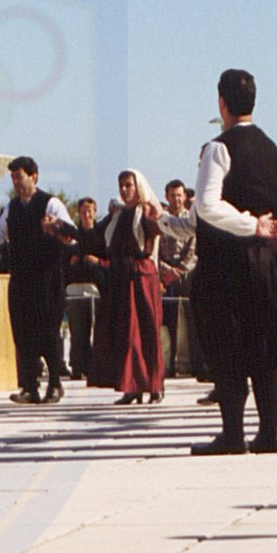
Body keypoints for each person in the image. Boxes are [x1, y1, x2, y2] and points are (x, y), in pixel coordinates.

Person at [172, 69, 277, 455]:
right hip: (270, 260)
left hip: (227, 263)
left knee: (227, 346)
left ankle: (234, 434)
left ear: (221, 102)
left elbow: (206, 205)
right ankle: (269, 433)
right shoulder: (272, 148)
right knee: (267, 344)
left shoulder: (217, 148)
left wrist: (249, 224)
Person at [0, 156, 74, 404]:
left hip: (47, 278)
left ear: (33, 176)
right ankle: (29, 387)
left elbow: (71, 235)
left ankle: (55, 384)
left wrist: (55, 228)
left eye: (19, 176)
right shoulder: (11, 207)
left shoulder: (51, 204)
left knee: (48, 330)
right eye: (13, 177)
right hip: (21, 279)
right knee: (23, 332)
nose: (15, 181)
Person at [84, 170, 164, 405]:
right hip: (121, 279)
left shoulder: (145, 212)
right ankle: (132, 387)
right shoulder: (117, 216)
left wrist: (156, 218)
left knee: (147, 332)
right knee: (126, 335)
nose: (124, 189)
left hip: (141, 278)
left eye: (128, 185)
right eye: (121, 185)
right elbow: (96, 237)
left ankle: (155, 386)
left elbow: (158, 231)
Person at [157, 179, 199, 377]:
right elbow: (155, 251)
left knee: (191, 321)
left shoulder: (190, 219)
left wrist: (180, 269)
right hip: (165, 277)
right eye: (173, 196)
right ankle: (168, 364)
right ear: (167, 196)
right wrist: (167, 271)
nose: (177, 199)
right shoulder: (161, 220)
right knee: (168, 322)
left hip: (187, 275)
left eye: (180, 195)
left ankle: (192, 363)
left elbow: (193, 250)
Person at [64, 198, 105, 381]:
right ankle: (77, 366)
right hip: (75, 286)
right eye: (83, 212)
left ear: (94, 212)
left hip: (94, 286)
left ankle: (95, 367)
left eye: (90, 211)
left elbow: (106, 257)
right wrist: (72, 261)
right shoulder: (73, 235)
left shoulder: (101, 234)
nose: (87, 215)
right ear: (78, 214)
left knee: (97, 329)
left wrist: (97, 261)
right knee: (77, 330)